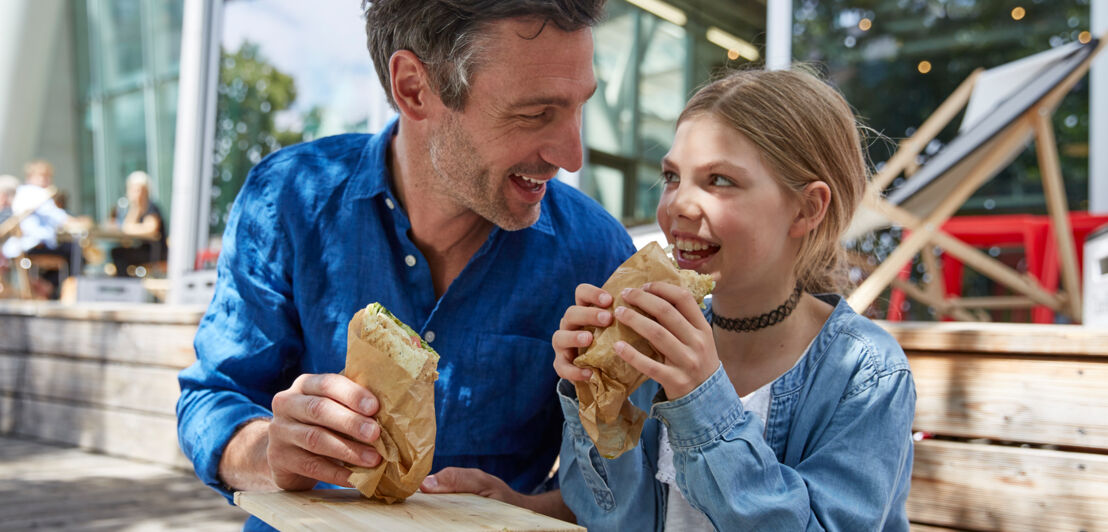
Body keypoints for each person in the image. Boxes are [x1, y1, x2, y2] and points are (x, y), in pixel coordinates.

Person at [176, 1, 632, 529]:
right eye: (535, 113)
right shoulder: (286, 200)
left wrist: (529, 511)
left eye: (580, 107)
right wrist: (270, 454)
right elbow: (213, 399)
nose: (572, 154)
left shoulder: (598, 253)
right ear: (414, 88)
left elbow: (620, 481)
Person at [553, 67, 916, 530]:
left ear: (807, 208)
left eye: (719, 180)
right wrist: (593, 390)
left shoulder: (864, 373)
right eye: (671, 176)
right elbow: (604, 514)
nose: (678, 205)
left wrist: (702, 402)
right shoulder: (650, 342)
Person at [1, 160, 85, 297]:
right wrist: (78, 222)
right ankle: (60, 291)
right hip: (34, 245)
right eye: (42, 176)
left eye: (48, 176)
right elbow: (60, 218)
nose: (46, 180)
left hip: (22, 246)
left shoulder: (23, 193)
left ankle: (44, 285)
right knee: (76, 252)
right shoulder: (38, 193)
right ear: (30, 177)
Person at [108, 171, 168, 276]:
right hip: (141, 249)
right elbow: (127, 226)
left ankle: (126, 284)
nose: (137, 193)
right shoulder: (132, 209)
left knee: (119, 254)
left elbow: (150, 230)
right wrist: (135, 207)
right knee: (117, 251)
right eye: (134, 190)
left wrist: (130, 228)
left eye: (140, 190)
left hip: (154, 251)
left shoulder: (152, 207)